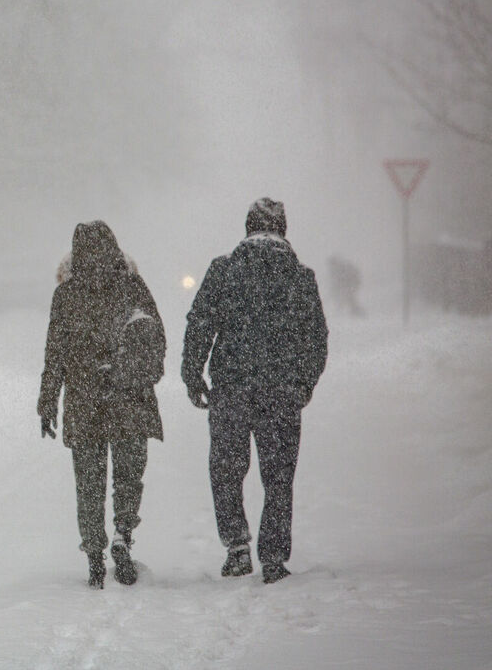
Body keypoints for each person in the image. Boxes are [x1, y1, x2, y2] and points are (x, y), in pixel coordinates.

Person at [181, 198, 328, 584]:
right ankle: (275, 557)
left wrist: (193, 374)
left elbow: (200, 323)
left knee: (226, 470)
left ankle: (237, 548)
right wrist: (302, 383)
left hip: (231, 388)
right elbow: (316, 338)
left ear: (248, 228)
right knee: (278, 476)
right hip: (280, 392)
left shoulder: (225, 270)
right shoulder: (299, 276)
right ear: (283, 229)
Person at [38, 221, 166, 589]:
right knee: (128, 477)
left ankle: (95, 555)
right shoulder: (131, 285)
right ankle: (122, 535)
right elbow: (157, 336)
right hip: (128, 397)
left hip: (84, 400)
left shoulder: (67, 294)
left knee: (89, 483)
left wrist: (47, 401)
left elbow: (55, 354)